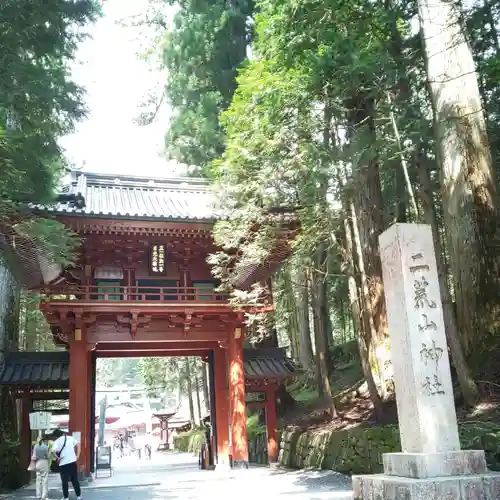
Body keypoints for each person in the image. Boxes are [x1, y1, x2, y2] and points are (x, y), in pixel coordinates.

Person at [51, 429, 82, 500]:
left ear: (56, 436)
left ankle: (66, 497)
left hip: (63, 464)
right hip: (72, 462)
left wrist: (57, 458)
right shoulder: (70, 438)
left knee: (64, 481)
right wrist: (77, 455)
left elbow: (52, 451)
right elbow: (78, 445)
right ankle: (79, 496)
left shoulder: (56, 442)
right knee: (75, 480)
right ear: (62, 433)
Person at [31, 435, 51, 500]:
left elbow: (34, 456)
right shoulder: (45, 447)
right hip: (44, 462)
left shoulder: (36, 446)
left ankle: (38, 495)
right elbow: (47, 456)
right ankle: (44, 496)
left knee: (38, 480)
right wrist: (49, 453)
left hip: (37, 463)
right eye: (46, 441)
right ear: (44, 440)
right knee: (45, 480)